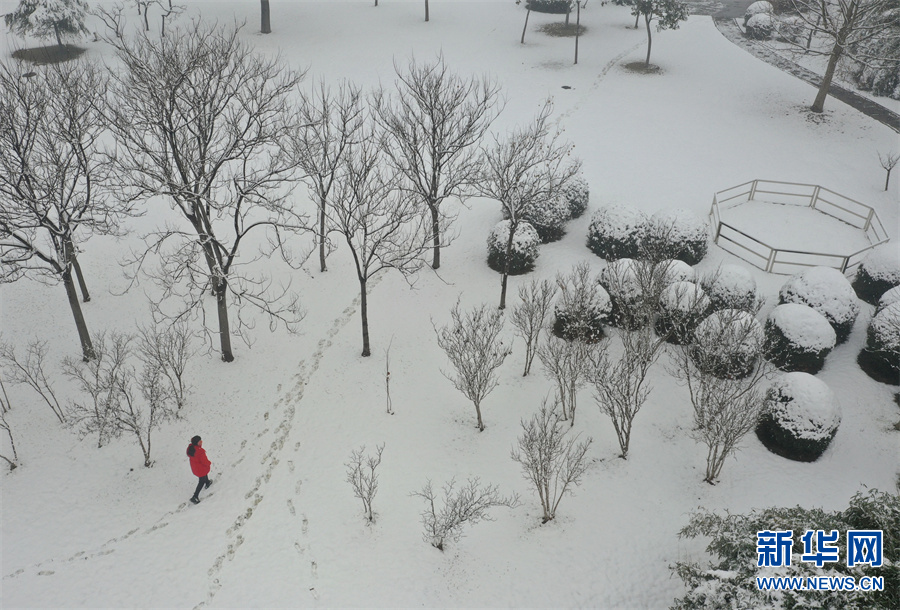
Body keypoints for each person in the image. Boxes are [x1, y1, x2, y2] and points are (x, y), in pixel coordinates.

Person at [186, 435, 212, 504]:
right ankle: (195, 497)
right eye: (200, 441)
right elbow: (205, 462)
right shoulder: (200, 452)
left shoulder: (191, 448)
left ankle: (207, 482)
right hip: (200, 469)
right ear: (197, 443)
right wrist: (209, 463)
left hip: (195, 468)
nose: (201, 443)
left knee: (204, 475)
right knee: (201, 481)